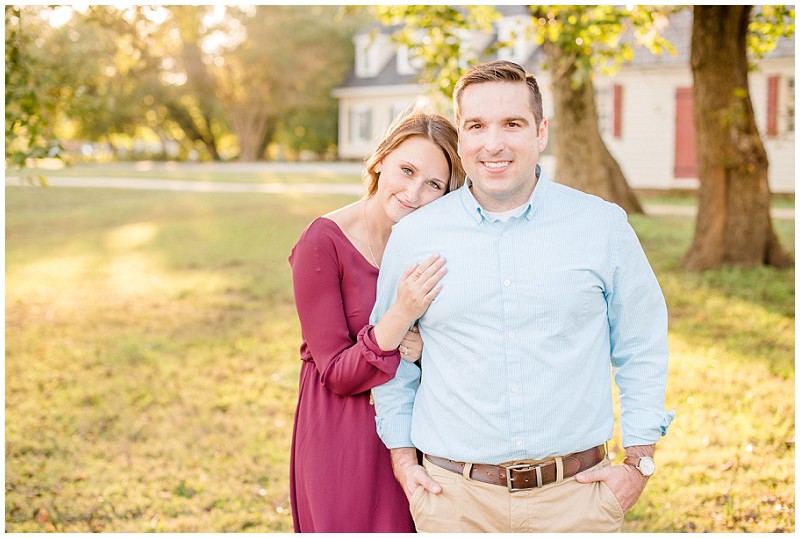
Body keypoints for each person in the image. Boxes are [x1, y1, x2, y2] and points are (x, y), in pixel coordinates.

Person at [371, 60, 674, 532]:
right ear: (462, 138)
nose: (493, 143)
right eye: (476, 126)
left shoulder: (602, 226)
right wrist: (403, 459)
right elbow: (390, 355)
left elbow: (642, 342)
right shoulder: (415, 235)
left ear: (541, 132)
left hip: (578, 501)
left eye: (512, 124)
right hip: (454, 502)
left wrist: (639, 462)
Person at [287, 112, 466, 532]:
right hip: (344, 434)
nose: (413, 192)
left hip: (424, 432)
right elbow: (337, 374)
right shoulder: (322, 242)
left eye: (433, 184)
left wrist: (427, 349)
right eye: (407, 170)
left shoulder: (437, 245)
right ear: (381, 159)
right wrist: (399, 316)